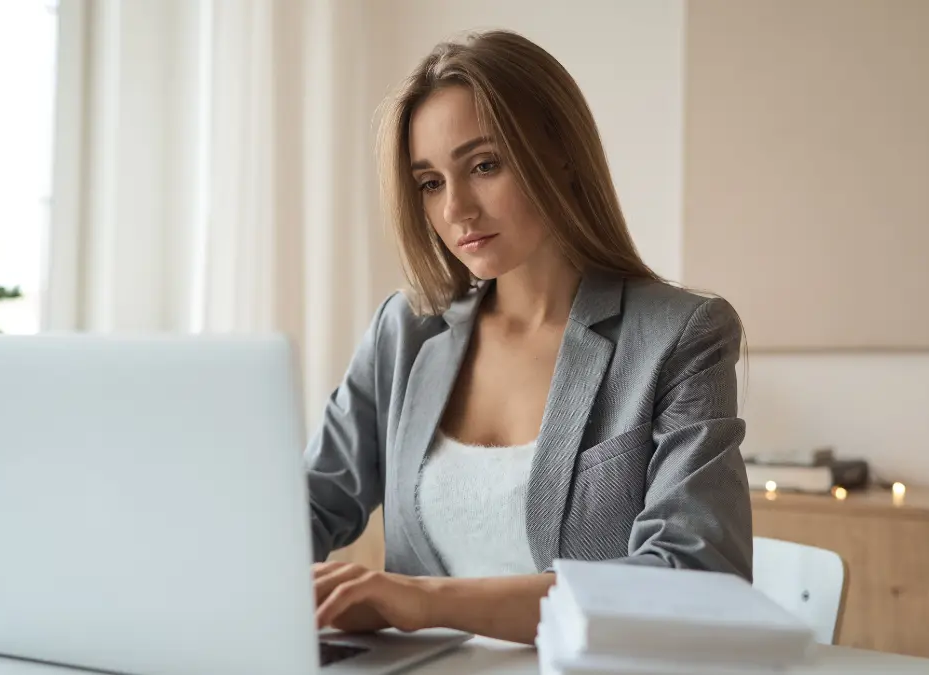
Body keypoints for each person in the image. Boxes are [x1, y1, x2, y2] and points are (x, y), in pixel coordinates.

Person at [305, 29, 751, 646]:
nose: (456, 209)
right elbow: (308, 506)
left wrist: (427, 602)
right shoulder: (404, 331)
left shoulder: (680, 336)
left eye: (484, 165)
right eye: (431, 182)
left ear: (561, 154)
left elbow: (696, 577)